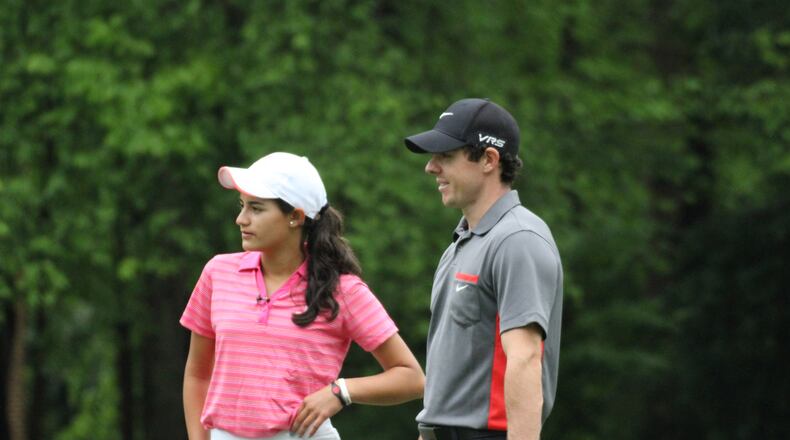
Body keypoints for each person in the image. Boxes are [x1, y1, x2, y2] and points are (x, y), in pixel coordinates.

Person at [181, 152, 425, 440]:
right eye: (242, 206)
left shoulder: (342, 290)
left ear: (295, 217)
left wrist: (341, 392)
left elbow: (411, 377)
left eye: (256, 209)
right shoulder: (217, 273)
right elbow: (198, 374)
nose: (240, 219)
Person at [404, 98, 563, 440]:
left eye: (445, 156)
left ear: (489, 160)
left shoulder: (518, 240)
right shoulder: (461, 244)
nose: (431, 167)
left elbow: (524, 358)